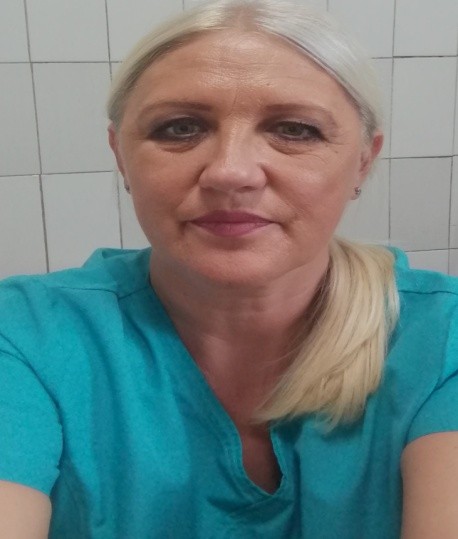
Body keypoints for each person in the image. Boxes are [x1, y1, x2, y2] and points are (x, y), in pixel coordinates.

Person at [1, 0, 458, 537]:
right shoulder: (27, 337)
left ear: (363, 159)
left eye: (295, 129)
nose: (230, 172)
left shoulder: (440, 340)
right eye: (179, 128)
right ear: (120, 155)